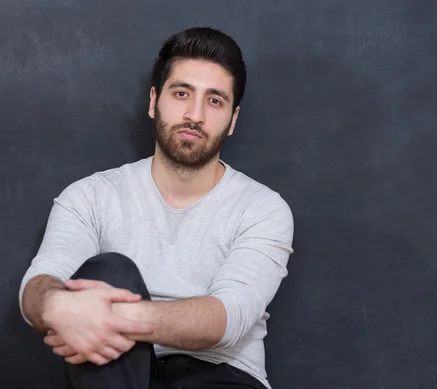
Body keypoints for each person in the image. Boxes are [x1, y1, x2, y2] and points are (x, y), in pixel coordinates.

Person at [18, 26, 294, 389]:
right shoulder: (90, 196)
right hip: (115, 368)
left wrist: (104, 316)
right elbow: (40, 282)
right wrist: (55, 306)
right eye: (182, 93)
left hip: (220, 373)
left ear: (232, 120)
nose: (194, 114)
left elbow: (227, 319)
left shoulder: (263, 208)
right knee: (109, 269)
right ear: (154, 101)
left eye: (214, 101)